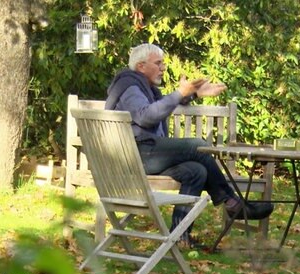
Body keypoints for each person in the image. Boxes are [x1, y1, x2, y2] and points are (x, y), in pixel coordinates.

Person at [105, 43, 274, 248]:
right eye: (158, 63)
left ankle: (179, 238)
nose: (163, 68)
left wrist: (193, 94)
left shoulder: (143, 86)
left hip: (146, 153)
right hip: (136, 155)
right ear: (141, 66)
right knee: (197, 146)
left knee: (196, 171)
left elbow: (159, 106)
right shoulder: (129, 86)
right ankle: (232, 202)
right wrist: (179, 93)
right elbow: (146, 116)